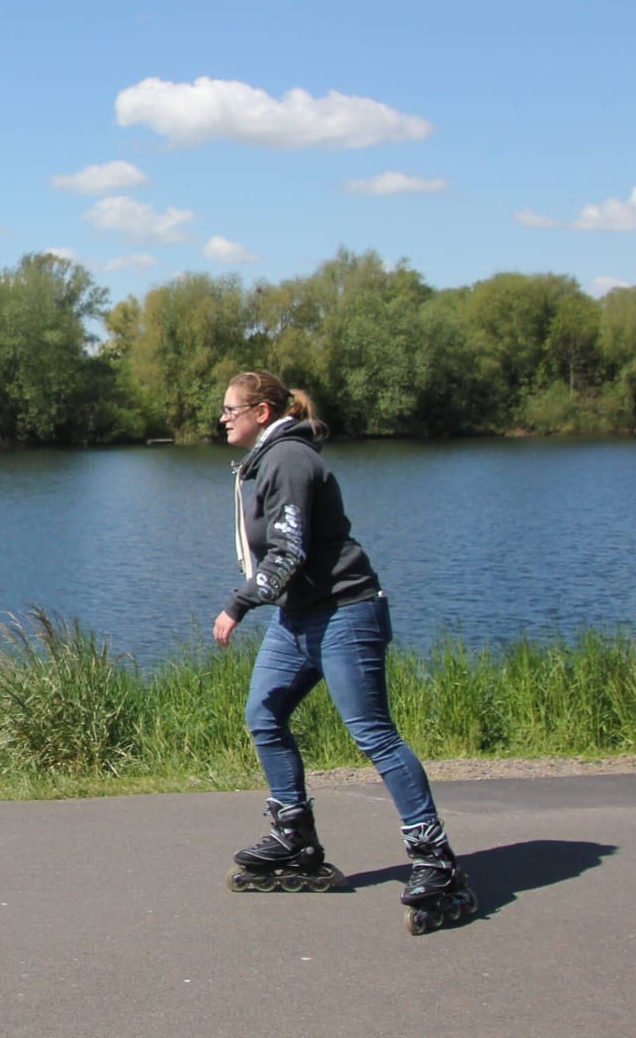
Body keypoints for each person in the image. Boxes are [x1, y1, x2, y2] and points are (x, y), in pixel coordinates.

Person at [213, 371, 468, 922]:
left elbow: (289, 552)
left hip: (345, 610)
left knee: (372, 732)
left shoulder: (289, 461)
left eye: (231, 409)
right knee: (265, 713)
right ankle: (294, 834)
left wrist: (237, 605)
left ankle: (433, 855)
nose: (223, 418)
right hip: (300, 615)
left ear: (261, 412)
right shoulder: (268, 459)